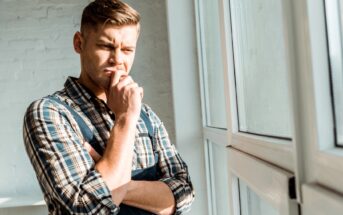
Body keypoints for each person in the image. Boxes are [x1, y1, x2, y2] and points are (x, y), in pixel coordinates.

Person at [22, 0, 194, 214]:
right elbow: (88, 208)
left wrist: (122, 186)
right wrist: (125, 119)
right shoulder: (49, 113)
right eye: (106, 46)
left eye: (128, 49)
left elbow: (184, 194)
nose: (118, 59)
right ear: (79, 43)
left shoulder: (146, 114)